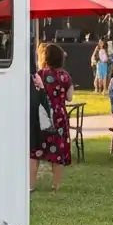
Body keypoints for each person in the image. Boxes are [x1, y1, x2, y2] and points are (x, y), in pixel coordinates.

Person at [30, 42, 73, 192]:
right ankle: (55, 186)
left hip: (40, 115)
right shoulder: (65, 76)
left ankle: (30, 185)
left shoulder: (39, 74)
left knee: (35, 151)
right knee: (57, 152)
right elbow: (69, 97)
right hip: (58, 117)